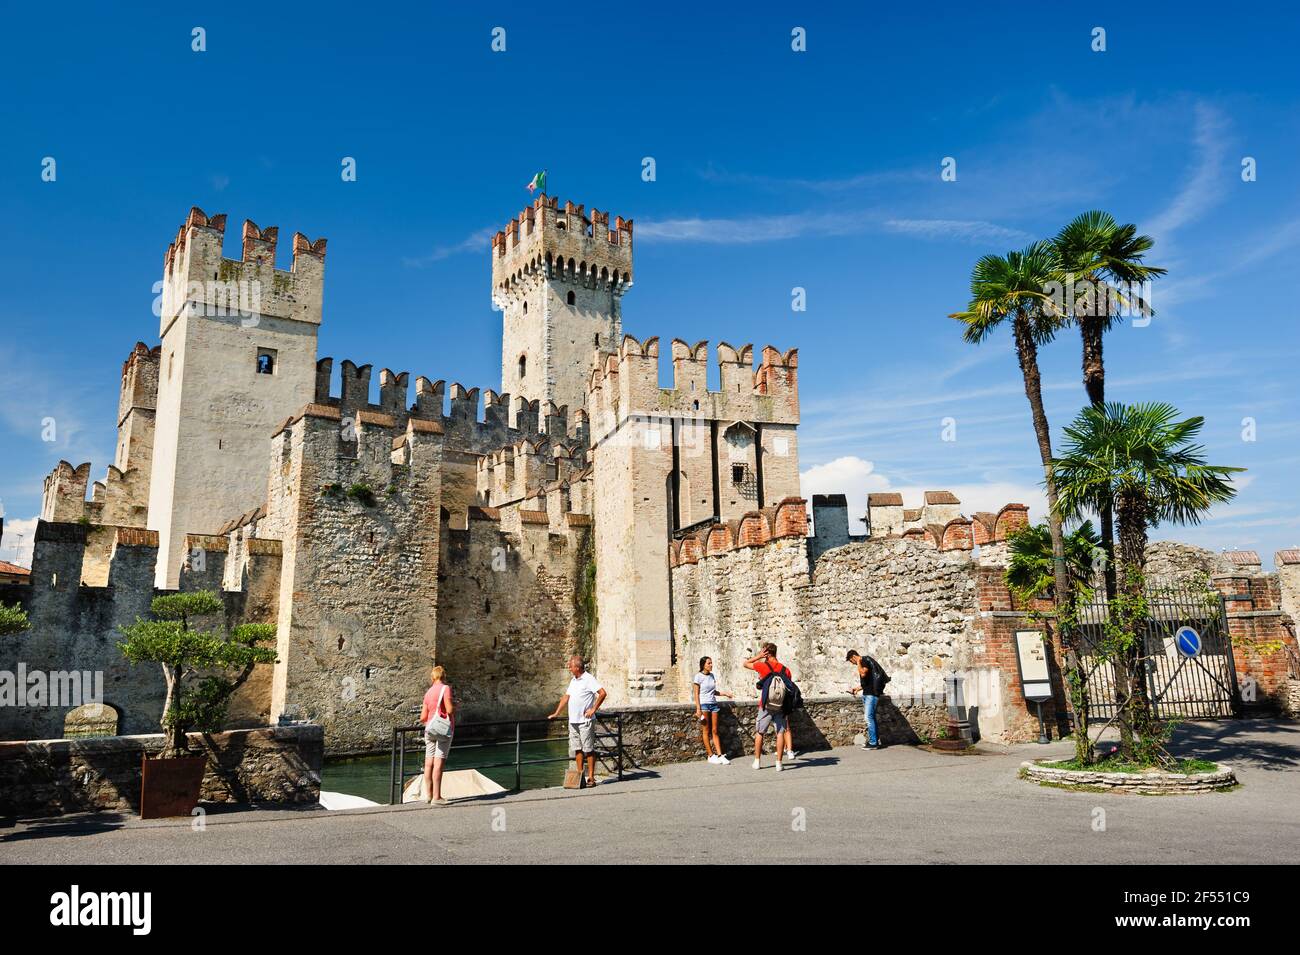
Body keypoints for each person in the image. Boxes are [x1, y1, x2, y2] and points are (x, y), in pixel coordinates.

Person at [547, 655, 607, 787]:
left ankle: (591, 777)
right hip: (573, 721)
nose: (569, 668)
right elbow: (566, 697)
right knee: (577, 749)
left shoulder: (588, 679)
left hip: (585, 721)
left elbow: (602, 693)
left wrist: (593, 709)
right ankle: (580, 777)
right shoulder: (574, 680)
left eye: (571, 666)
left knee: (588, 749)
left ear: (577, 667)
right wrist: (556, 713)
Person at [744, 643, 795, 771]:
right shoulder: (786, 670)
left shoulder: (762, 665)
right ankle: (779, 763)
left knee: (760, 732)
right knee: (780, 733)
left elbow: (745, 664)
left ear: (766, 653)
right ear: (776, 653)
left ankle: (757, 761)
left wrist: (758, 656)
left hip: (766, 704)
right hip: (780, 705)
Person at [420, 665, 456, 805]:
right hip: (443, 730)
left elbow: (423, 717)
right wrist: (455, 706)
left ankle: (428, 795)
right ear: (443, 676)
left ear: (433, 677)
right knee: (439, 763)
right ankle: (437, 797)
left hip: (429, 730)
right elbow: (449, 709)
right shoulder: (445, 688)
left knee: (428, 763)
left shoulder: (428, 692)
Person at [693, 656, 734, 764]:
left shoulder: (712, 676)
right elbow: (696, 694)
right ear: (703, 665)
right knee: (706, 731)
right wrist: (698, 708)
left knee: (715, 731)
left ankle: (720, 755)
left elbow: (713, 691)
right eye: (709, 663)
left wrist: (724, 693)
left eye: (711, 663)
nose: (711, 665)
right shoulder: (698, 677)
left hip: (713, 705)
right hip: (704, 705)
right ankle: (710, 755)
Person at [846, 649, 887, 749]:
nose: (853, 664)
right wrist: (857, 688)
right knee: (871, 718)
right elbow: (868, 681)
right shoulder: (865, 661)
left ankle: (873, 743)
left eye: (851, 661)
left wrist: (859, 662)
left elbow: (863, 673)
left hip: (871, 695)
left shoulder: (863, 661)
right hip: (868, 693)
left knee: (868, 718)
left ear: (853, 657)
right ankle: (875, 741)